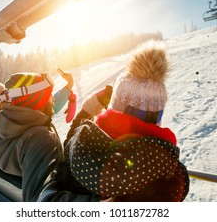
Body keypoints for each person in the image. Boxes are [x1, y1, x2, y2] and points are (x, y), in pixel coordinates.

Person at [40, 40, 189, 202]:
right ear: (158, 116)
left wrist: (86, 113)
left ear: (116, 107)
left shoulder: (84, 148)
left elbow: (67, 157)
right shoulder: (170, 175)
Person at [0, 71, 99, 201]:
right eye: (49, 94)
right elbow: (42, 200)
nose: (53, 98)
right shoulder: (40, 138)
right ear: (38, 100)